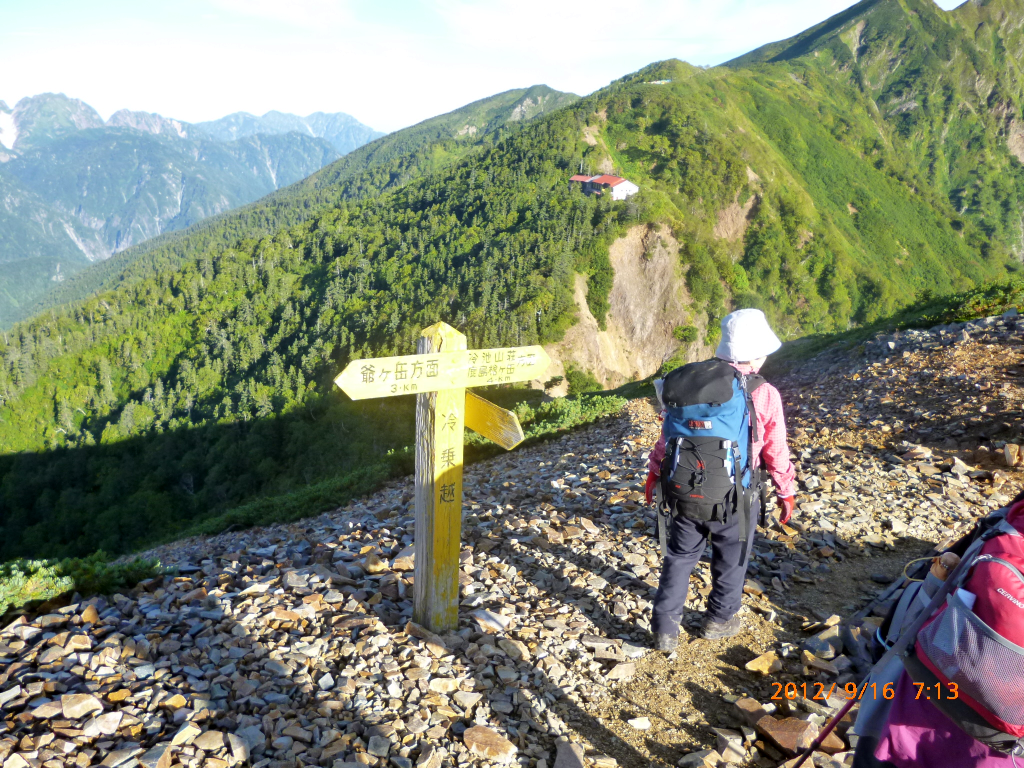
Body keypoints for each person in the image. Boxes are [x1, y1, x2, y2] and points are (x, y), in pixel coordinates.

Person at [645, 308, 796, 650]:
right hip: (736, 494)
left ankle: (665, 628)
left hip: (681, 490)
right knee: (732, 557)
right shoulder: (764, 392)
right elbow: (776, 449)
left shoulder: (689, 384)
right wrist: (785, 491)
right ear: (757, 354)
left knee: (679, 557)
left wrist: (654, 475)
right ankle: (719, 619)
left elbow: (666, 440)